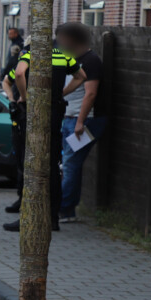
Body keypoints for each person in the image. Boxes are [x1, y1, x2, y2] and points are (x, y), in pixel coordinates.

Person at [4, 28, 87, 233]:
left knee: (31, 165)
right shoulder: (62, 55)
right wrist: (61, 93)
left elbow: (19, 73)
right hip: (55, 115)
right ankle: (52, 219)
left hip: (34, 115)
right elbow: (81, 76)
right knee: (52, 168)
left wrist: (25, 97)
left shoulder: (30, 53)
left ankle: (28, 219)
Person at [58, 22, 105, 223]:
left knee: (70, 164)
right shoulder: (73, 59)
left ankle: (63, 209)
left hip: (84, 121)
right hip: (70, 118)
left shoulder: (91, 61)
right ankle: (67, 210)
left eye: (62, 38)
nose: (60, 43)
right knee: (69, 164)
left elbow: (90, 93)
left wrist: (80, 122)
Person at [2, 41, 30, 214]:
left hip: (24, 116)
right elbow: (7, 80)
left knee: (23, 158)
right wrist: (13, 99)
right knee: (21, 158)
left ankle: (23, 200)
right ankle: (22, 199)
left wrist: (21, 98)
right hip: (22, 116)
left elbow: (12, 77)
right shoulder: (25, 61)